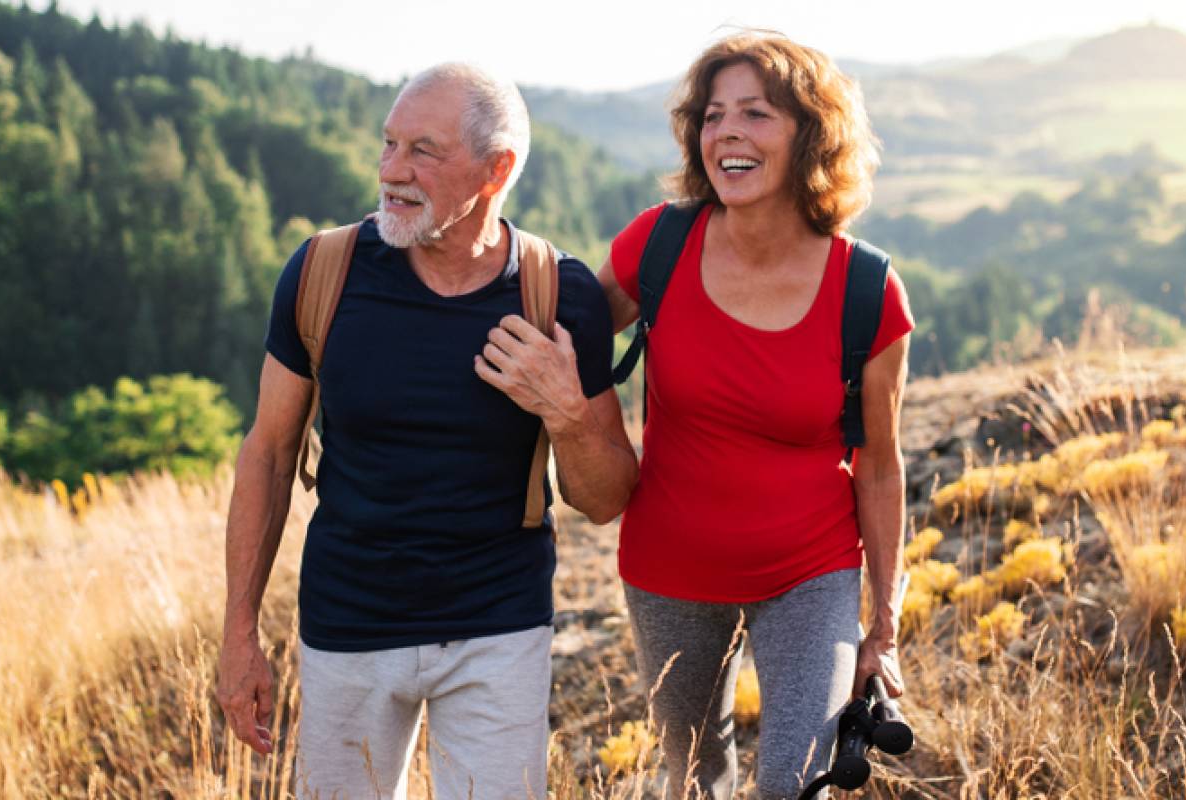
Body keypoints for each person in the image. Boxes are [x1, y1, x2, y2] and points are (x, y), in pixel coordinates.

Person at [216, 62, 637, 800]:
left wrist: (565, 413)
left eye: (422, 151)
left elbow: (604, 499)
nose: (391, 171)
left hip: (499, 629)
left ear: (495, 168)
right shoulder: (323, 271)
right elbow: (270, 452)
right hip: (346, 625)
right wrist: (239, 633)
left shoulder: (558, 292)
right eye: (388, 145)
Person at [602, 32, 913, 798]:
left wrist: (885, 621)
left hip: (811, 572)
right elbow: (563, 341)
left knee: (795, 784)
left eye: (756, 113)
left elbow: (878, 464)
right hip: (669, 570)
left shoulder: (867, 290)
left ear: (810, 135)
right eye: (713, 116)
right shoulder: (660, 245)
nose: (727, 132)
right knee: (693, 781)